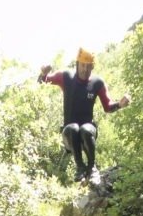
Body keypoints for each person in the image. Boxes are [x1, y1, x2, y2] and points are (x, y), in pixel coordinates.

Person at [38, 48, 131, 183]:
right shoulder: (66, 77)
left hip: (88, 133)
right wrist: (43, 73)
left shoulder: (97, 83)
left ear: (92, 67)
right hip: (70, 135)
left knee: (85, 129)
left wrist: (119, 104)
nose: (85, 69)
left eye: (89, 67)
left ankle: (92, 168)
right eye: (82, 65)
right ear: (77, 64)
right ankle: (80, 167)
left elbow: (107, 106)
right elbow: (44, 81)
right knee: (73, 128)